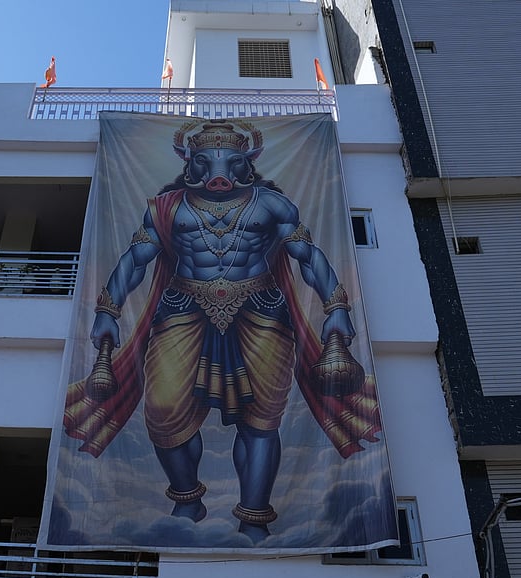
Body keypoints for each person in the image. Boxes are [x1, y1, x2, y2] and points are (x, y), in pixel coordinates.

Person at [64, 119, 379, 541]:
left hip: (262, 309)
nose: (218, 173)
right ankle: (186, 496)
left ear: (247, 165)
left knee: (261, 421)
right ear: (188, 164)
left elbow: (307, 256)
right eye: (204, 162)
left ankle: (253, 516)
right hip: (182, 306)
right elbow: (136, 259)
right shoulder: (167, 207)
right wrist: (108, 309)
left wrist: (335, 305)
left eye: (231, 163)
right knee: (161, 409)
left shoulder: (271, 205)